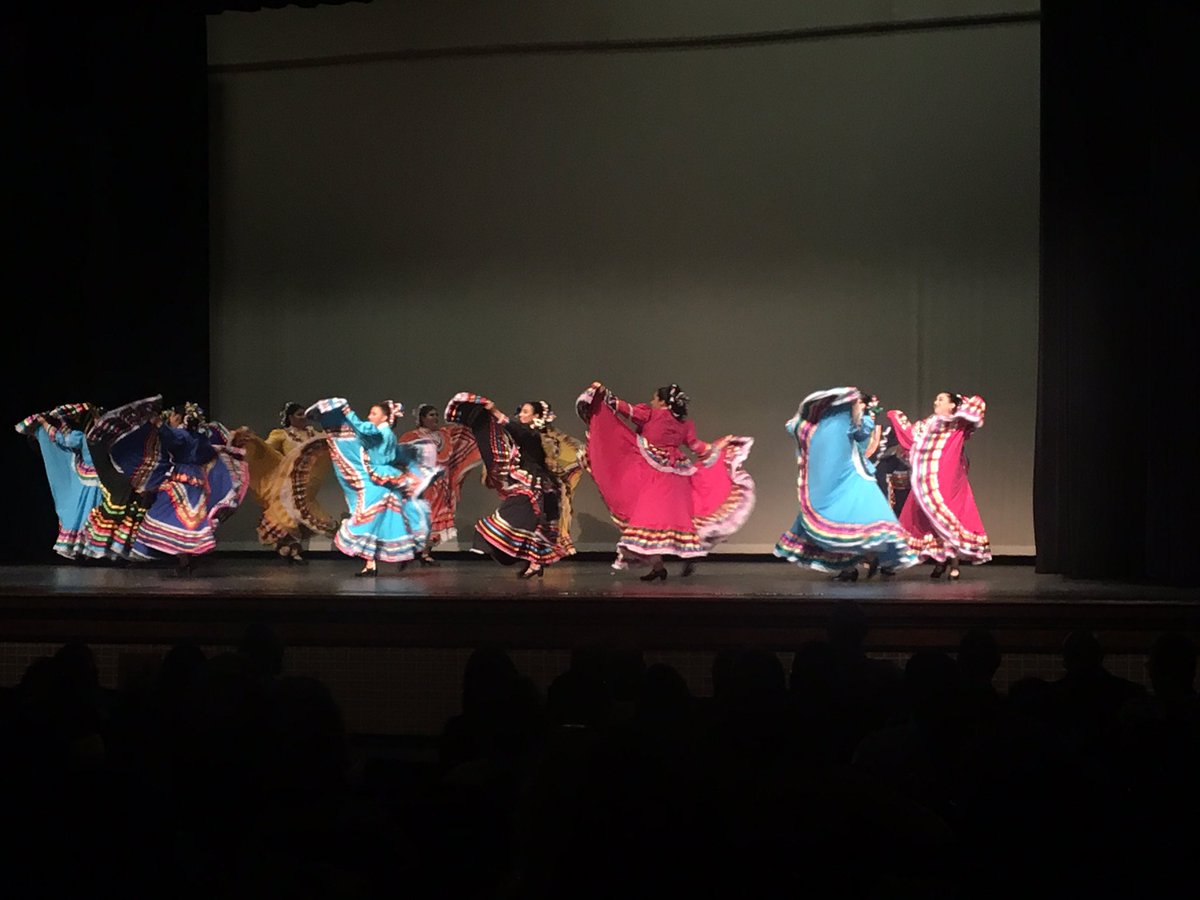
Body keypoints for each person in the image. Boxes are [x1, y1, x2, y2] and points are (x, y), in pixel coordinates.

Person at [576, 381, 755, 581]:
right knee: (680, 520)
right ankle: (668, 563)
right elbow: (697, 447)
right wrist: (719, 446)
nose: (651, 401)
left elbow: (622, 407)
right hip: (678, 477)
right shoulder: (685, 425)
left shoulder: (651, 414)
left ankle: (666, 563)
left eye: (654, 398)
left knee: (646, 521)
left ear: (662, 402)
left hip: (655, 476)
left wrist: (603, 393)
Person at [774, 387, 917, 580]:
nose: (858, 406)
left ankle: (865, 558)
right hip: (839, 477)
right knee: (841, 523)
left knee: (856, 520)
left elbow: (862, 433)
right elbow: (794, 428)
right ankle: (851, 567)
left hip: (855, 475)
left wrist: (859, 415)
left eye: (860, 403)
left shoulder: (857, 422)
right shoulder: (833, 422)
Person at [444, 393, 572, 578]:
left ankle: (515, 555)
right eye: (521, 411)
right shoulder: (532, 435)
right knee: (533, 528)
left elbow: (515, 430)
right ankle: (534, 563)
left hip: (532, 489)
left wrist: (494, 411)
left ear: (536, 417)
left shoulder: (533, 435)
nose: (521, 414)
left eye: (526, 412)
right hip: (535, 487)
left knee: (508, 520)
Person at [305, 398, 438, 576]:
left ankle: (379, 561)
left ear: (385, 418)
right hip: (385, 479)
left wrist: (345, 412)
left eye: (374, 413)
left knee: (365, 522)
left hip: (377, 481)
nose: (369, 416)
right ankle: (375, 563)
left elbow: (360, 428)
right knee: (383, 524)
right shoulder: (386, 432)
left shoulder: (380, 431)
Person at [127, 402, 250, 575]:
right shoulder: (200, 439)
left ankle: (183, 558)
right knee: (191, 518)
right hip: (198, 481)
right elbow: (207, 453)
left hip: (181, 477)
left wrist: (158, 424)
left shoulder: (181, 435)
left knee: (167, 513)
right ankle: (186, 558)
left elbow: (168, 439)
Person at [887, 391, 992, 578]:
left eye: (941, 399)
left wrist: (959, 405)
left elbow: (977, 406)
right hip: (929, 478)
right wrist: (897, 418)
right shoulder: (928, 424)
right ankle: (940, 561)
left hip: (950, 478)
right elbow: (910, 438)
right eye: (936, 399)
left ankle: (954, 564)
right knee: (929, 517)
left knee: (951, 513)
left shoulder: (959, 423)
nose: (936, 402)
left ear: (952, 405)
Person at [233, 402, 339, 564]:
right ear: (290, 417)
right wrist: (253, 442)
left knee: (302, 517)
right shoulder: (281, 435)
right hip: (287, 485)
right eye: (299, 414)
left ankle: (291, 550)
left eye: (304, 414)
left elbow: (326, 444)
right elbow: (266, 451)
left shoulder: (312, 433)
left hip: (307, 486)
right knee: (288, 517)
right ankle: (294, 552)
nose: (303, 417)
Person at [15, 402, 104, 559]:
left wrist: (44, 423)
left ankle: (88, 547)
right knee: (96, 514)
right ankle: (95, 547)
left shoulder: (82, 438)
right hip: (102, 482)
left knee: (84, 513)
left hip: (90, 484)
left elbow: (59, 438)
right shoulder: (100, 438)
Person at [398, 403, 482, 565]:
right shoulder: (412, 436)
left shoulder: (445, 434)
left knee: (434, 518)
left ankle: (425, 553)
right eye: (431, 415)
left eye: (436, 414)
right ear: (421, 418)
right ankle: (409, 551)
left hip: (440, 484)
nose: (435, 418)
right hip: (421, 485)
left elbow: (463, 433)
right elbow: (402, 456)